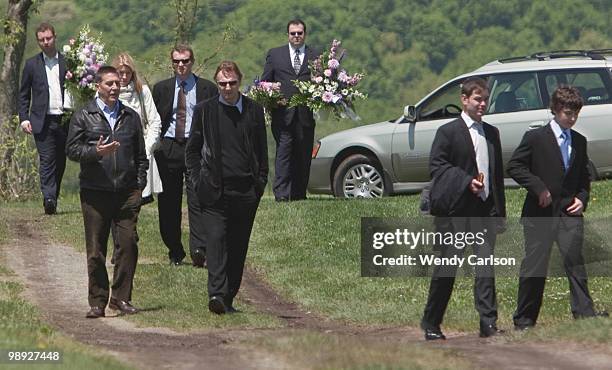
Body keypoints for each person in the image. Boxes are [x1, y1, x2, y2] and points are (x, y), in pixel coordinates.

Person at [508, 86, 608, 330]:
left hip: (569, 215)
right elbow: (515, 167)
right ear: (554, 110)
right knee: (535, 265)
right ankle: (524, 319)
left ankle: (584, 315)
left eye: (575, 114)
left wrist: (582, 198)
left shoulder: (580, 141)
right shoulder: (535, 138)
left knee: (575, 264)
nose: (571, 118)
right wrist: (539, 188)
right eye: (567, 113)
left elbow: (584, 178)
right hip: (539, 215)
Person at [421, 77, 506, 340]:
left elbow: (496, 175)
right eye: (478, 99)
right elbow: (438, 167)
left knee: (485, 268)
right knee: (447, 268)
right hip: (455, 212)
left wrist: (499, 213)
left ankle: (488, 323)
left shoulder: (492, 133)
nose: (483, 104)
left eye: (485, 99)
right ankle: (431, 323)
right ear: (464, 100)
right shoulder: (447, 132)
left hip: (484, 211)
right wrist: (465, 181)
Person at [186, 61, 268, 314]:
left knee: (237, 245)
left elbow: (261, 151)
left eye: (232, 83)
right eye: (222, 83)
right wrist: (198, 181)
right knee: (216, 242)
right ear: (217, 84)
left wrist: (259, 184)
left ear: (239, 82)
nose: (227, 88)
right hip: (213, 190)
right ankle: (217, 295)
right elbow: (192, 152)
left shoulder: (254, 110)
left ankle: (229, 296)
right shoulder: (205, 111)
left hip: (245, 191)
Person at [66, 66, 147, 318]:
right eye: (109, 83)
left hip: (126, 192)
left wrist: (139, 184)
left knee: (128, 245)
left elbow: (141, 156)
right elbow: (71, 150)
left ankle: (121, 298)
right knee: (95, 250)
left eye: (117, 84)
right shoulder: (83, 115)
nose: (115, 87)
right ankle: (98, 301)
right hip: (95, 193)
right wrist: (95, 153)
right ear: (98, 86)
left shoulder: (130, 116)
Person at [152, 44, 217, 267]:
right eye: (177, 61)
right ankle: (174, 249)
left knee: (197, 198)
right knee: (168, 202)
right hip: (169, 147)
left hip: (195, 147)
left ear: (192, 62)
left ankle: (199, 249)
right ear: (172, 64)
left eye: (185, 61)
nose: (181, 65)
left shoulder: (207, 88)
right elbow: (154, 120)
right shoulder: (161, 89)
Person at [261, 19, 318, 201]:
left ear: (304, 34)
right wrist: (272, 98)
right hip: (282, 114)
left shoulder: (315, 55)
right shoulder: (275, 54)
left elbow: (323, 83)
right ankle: (282, 195)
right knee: (284, 153)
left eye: (299, 33)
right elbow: (265, 82)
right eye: (293, 33)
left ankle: (299, 194)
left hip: (305, 115)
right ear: (288, 35)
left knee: (303, 155)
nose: (296, 36)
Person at [18, 22, 67, 215]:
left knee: (60, 160)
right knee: (47, 160)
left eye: (48, 38)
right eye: (41, 40)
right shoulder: (31, 65)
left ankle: (53, 196)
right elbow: (23, 95)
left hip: (65, 120)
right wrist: (24, 118)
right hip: (42, 121)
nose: (46, 42)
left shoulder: (68, 62)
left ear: (55, 37)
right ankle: (48, 198)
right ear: (38, 42)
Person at [112, 52, 163, 204]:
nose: (124, 77)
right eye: (120, 73)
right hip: (116, 150)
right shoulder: (106, 92)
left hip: (140, 148)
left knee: (137, 199)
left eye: (128, 73)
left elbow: (154, 121)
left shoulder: (142, 91)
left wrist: (147, 148)